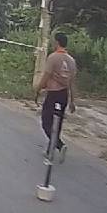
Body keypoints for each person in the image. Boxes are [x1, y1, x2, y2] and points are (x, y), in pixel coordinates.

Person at [34, 31, 77, 160]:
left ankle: (59, 145)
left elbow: (46, 76)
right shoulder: (71, 61)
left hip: (53, 94)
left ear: (57, 42)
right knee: (57, 124)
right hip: (63, 95)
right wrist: (72, 101)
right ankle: (50, 150)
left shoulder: (53, 57)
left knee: (46, 122)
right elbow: (72, 82)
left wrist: (38, 89)